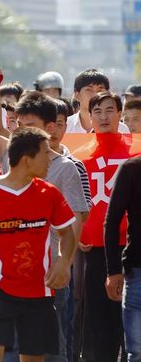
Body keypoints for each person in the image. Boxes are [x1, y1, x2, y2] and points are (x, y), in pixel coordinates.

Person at [0, 127, 76, 362]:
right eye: (44, 153)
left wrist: (63, 262)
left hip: (39, 291)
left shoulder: (49, 193)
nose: (51, 159)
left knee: (32, 358)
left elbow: (67, 233)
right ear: (27, 160)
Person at [79, 91, 127, 361]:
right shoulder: (79, 153)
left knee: (129, 315)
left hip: (131, 247)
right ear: (88, 116)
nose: (104, 116)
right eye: (97, 111)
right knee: (98, 316)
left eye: (110, 110)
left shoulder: (136, 150)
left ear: (120, 114)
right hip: (95, 248)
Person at [105, 156, 141, 361]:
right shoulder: (132, 168)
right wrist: (113, 271)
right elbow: (112, 221)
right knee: (137, 351)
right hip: (137, 271)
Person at [66, 68, 129, 133]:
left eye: (100, 90)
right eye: (89, 90)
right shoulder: (65, 126)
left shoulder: (121, 129)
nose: (95, 94)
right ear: (77, 95)